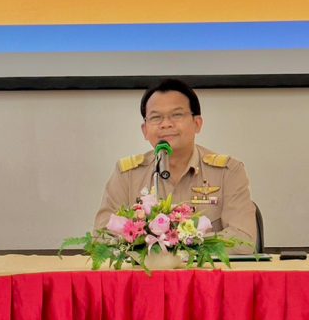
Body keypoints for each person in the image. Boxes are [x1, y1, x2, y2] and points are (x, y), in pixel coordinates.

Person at [94, 79, 257, 250]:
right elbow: (101, 238)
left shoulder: (228, 171)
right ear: (145, 130)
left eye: (177, 115)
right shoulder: (127, 174)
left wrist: (174, 243)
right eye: (156, 117)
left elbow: (243, 240)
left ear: (197, 123)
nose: (166, 124)